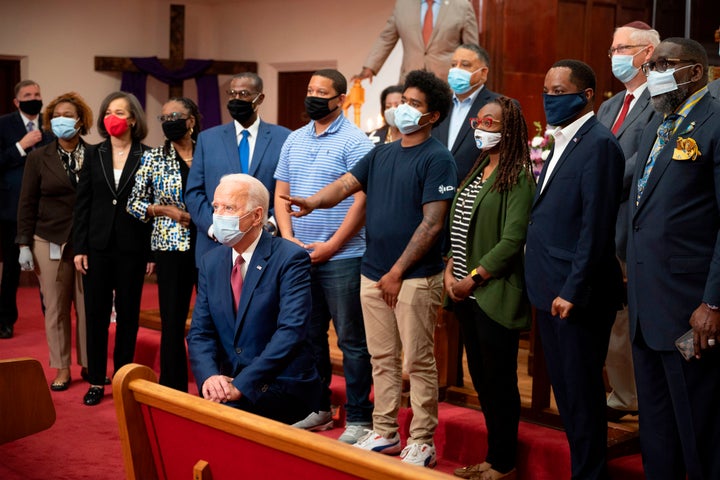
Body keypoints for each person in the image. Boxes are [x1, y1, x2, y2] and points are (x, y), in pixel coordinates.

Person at [282, 70, 456, 468]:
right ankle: (385, 431)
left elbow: (431, 224)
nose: (402, 109)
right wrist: (313, 202)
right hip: (373, 271)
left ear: (431, 116)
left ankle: (422, 440)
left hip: (412, 277)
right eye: (401, 101)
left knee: (418, 362)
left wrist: (396, 271)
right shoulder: (382, 151)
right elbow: (345, 185)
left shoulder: (438, 158)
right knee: (382, 357)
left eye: (414, 104)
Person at [524, 60, 624, 480]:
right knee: (567, 393)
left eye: (559, 91)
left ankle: (591, 474)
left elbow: (595, 227)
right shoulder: (560, 140)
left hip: (575, 293)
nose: (550, 97)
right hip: (549, 286)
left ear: (585, 96)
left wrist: (573, 288)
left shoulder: (598, 143)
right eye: (546, 89)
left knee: (582, 396)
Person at [627, 37, 720, 480]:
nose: (653, 72)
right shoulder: (657, 125)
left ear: (695, 71)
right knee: (657, 430)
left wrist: (713, 302)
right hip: (647, 305)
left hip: (690, 306)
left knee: (697, 431)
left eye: (664, 64)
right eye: (651, 64)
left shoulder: (715, 123)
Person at [274, 69, 374, 444]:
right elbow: (281, 191)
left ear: (340, 99)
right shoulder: (294, 139)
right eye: (310, 90)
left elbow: (362, 200)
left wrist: (333, 245)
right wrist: (287, 239)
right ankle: (318, 407)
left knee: (351, 339)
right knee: (308, 333)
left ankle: (360, 417)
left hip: (344, 255)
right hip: (298, 253)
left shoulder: (355, 141)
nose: (313, 96)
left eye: (322, 92)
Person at [186, 173, 323, 424]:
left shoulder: (290, 258)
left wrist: (243, 383)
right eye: (216, 207)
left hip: (279, 381)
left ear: (257, 216)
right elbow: (200, 333)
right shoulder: (211, 261)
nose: (218, 215)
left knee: (223, 424)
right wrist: (210, 377)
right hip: (229, 381)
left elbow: (290, 332)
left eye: (229, 208)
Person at [446, 97, 535, 480]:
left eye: (490, 122)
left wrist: (474, 277)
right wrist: (451, 266)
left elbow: (512, 241)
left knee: (499, 382)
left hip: (492, 292)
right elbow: (461, 223)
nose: (481, 127)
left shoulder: (518, 177)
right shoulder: (481, 164)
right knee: (481, 379)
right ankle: (492, 458)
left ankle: (503, 463)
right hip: (465, 291)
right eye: (478, 121)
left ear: (509, 129)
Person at [596, 21, 660, 422]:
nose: (616, 55)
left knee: (626, 319)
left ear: (647, 53)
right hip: (600, 226)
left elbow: (644, 161)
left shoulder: (660, 99)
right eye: (613, 49)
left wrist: (598, 182)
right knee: (606, 317)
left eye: (623, 48)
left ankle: (633, 398)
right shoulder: (607, 105)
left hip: (629, 225)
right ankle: (618, 393)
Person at [73, 91, 152, 406]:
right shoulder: (93, 154)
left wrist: (151, 252)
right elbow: (83, 204)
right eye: (108, 112)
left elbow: (152, 206)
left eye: (119, 112)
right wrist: (79, 247)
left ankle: (121, 376)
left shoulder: (148, 155)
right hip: (97, 247)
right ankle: (95, 380)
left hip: (133, 248)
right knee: (95, 315)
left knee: (129, 316)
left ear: (133, 118)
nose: (112, 117)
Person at [15, 92, 93, 391]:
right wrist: (23, 243)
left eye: (68, 115)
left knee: (87, 306)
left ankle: (89, 364)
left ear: (80, 120)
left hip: (86, 242)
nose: (62, 120)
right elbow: (27, 202)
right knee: (56, 307)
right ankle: (61, 367)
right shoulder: (38, 157)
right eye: (57, 115)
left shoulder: (97, 154)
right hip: (47, 237)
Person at [127, 97, 200, 392]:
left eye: (175, 116)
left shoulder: (209, 153)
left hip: (210, 244)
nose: (169, 122)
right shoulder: (154, 158)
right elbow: (134, 203)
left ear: (191, 121)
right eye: (164, 118)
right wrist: (165, 211)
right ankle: (173, 386)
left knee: (216, 316)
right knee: (172, 319)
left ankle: (218, 382)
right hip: (170, 246)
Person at [185, 72, 290, 266]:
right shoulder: (208, 139)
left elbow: (288, 190)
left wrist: (271, 224)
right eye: (232, 94)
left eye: (244, 94)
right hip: (215, 247)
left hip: (266, 244)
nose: (236, 99)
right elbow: (194, 192)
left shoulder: (283, 138)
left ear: (260, 98)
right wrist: (214, 227)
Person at [0, 80, 53, 339]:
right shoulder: (4, 124)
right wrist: (21, 146)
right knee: (11, 268)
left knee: (50, 268)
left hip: (47, 210)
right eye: (28, 95)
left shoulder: (51, 124)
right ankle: (5, 320)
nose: (34, 98)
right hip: (12, 209)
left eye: (37, 94)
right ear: (17, 102)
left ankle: (52, 320)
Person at [353, 0, 479, 82]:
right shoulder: (403, 5)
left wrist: (471, 77)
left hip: (447, 81)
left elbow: (471, 49)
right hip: (410, 78)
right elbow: (386, 38)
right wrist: (370, 67)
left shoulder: (462, 6)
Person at [433, 44, 500, 184]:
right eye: (453, 64)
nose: (457, 70)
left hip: (475, 194)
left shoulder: (500, 106)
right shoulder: (438, 105)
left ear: (483, 73)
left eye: (465, 65)